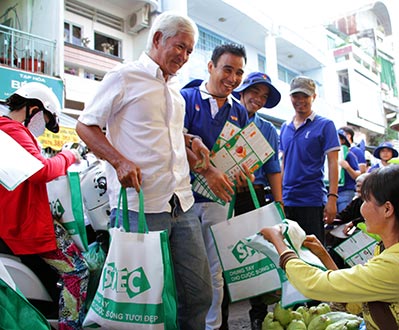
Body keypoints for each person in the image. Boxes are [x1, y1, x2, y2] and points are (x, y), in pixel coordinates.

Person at [75, 12, 213, 329]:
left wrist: (191, 140)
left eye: (190, 51)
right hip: (140, 206)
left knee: (197, 294)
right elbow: (86, 125)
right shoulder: (124, 76)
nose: (184, 56)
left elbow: (162, 133)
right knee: (144, 305)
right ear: (156, 39)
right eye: (180, 47)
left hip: (182, 202)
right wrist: (119, 160)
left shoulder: (174, 89)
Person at [261, 165, 399, 329]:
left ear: (387, 209)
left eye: (366, 200)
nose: (361, 208)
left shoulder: (398, 264)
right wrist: (323, 255)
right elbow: (358, 301)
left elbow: (315, 284)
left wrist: (280, 242)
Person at [0, 82, 89, 329]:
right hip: (24, 221)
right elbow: (41, 170)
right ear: (33, 109)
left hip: (15, 217)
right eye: (46, 118)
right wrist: (69, 156)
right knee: (77, 271)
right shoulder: (11, 130)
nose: (44, 126)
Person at [181, 43, 250, 330]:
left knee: (215, 271)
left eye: (239, 73)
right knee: (184, 271)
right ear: (210, 67)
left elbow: (243, 152)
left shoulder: (240, 112)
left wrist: (244, 173)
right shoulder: (185, 98)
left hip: (220, 202)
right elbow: (174, 141)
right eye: (227, 69)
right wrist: (206, 171)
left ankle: (212, 327)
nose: (233, 79)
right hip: (183, 200)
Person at [225, 71, 283, 330]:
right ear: (242, 91)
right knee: (224, 254)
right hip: (222, 193)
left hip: (254, 194)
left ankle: (258, 314)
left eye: (264, 96)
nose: (258, 99)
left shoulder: (268, 129)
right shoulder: (224, 115)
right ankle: (220, 317)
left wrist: (279, 205)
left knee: (257, 254)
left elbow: (273, 168)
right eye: (254, 92)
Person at [280, 76, 340, 245]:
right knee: (289, 250)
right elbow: (283, 163)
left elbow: (333, 163)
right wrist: (280, 197)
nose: (300, 101)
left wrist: (332, 199)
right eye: (296, 96)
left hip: (311, 200)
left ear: (314, 97)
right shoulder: (285, 127)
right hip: (287, 200)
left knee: (313, 251)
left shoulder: (325, 125)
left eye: (305, 96)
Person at [324, 173, 369, 269]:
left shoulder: (374, 202)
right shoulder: (357, 201)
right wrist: (329, 219)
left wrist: (353, 223)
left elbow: (368, 217)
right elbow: (344, 216)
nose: (357, 189)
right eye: (357, 185)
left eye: (360, 186)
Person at [337, 128, 360, 212]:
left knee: (342, 220)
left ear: (342, 141)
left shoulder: (348, 155)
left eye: (337, 138)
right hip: (329, 192)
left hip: (345, 192)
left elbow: (357, 176)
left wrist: (347, 167)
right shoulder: (326, 155)